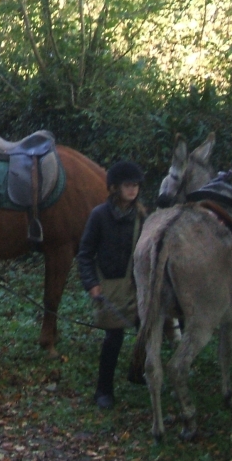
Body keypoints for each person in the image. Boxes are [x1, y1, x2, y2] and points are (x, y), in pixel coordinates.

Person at [76, 160, 146, 409]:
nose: (132, 190)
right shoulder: (99, 215)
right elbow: (85, 253)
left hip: (137, 286)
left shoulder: (142, 216)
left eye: (136, 185)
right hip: (110, 283)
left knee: (145, 334)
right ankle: (103, 390)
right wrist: (92, 284)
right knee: (113, 339)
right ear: (115, 188)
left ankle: (138, 372)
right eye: (128, 185)